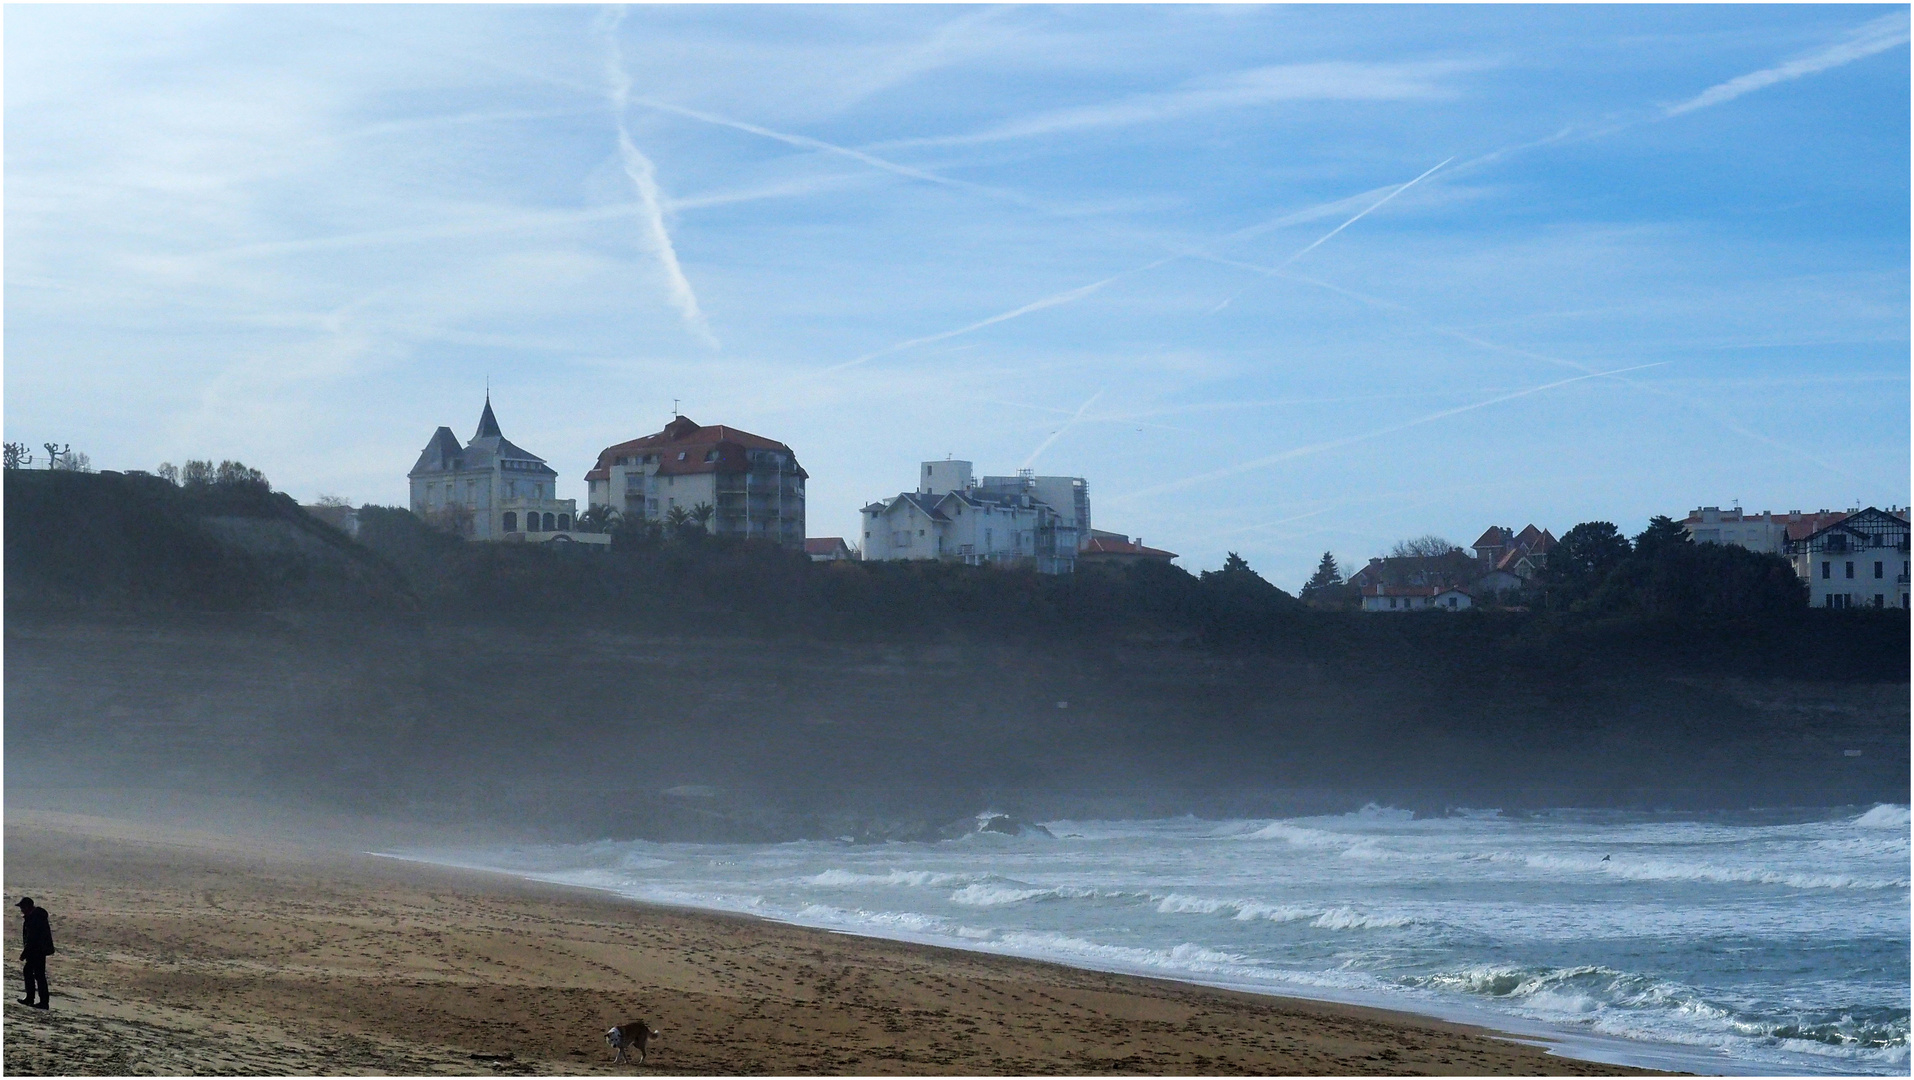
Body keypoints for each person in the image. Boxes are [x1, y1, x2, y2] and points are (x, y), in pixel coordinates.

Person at [17, 897, 53, 1009]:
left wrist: (24, 953)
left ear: (28, 907)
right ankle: (34, 999)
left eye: (22, 907)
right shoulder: (34, 917)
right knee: (36, 974)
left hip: (37, 950)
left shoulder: (34, 918)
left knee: (35, 974)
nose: (21, 910)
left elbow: (32, 938)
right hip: (38, 950)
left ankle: (39, 1001)